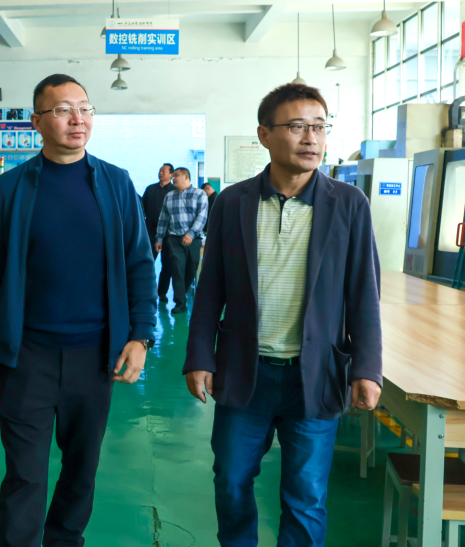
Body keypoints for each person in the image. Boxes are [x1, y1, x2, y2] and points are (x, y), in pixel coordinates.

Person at [183, 84, 382, 547]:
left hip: (315, 375)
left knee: (306, 496)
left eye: (319, 127)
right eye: (297, 126)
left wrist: (367, 368)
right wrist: (200, 357)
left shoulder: (349, 204)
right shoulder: (233, 202)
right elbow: (210, 289)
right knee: (231, 481)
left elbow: (364, 294)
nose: (311, 138)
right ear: (265, 135)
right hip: (245, 372)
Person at [0, 73, 157, 547]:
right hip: (25, 356)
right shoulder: (13, 187)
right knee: (24, 475)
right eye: (62, 110)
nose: (78, 119)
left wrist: (140, 335)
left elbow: (139, 263)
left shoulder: (115, 183)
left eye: (85, 108)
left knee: (81, 471)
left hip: (94, 355)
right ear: (37, 122)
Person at [154, 168, 208, 315]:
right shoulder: (169, 196)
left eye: (176, 175)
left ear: (186, 177)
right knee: (177, 269)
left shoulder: (199, 194)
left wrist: (190, 234)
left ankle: (181, 293)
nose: (173, 178)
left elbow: (202, 216)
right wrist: (159, 239)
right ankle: (180, 303)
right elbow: (163, 219)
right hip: (174, 239)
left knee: (191, 268)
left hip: (194, 239)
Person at [142, 164, 176, 303]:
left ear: (171, 175)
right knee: (148, 262)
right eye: (160, 171)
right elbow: (142, 208)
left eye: (164, 171)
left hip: (169, 234)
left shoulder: (174, 191)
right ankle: (146, 291)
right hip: (150, 232)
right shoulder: (150, 189)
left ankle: (162, 292)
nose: (160, 173)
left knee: (167, 265)